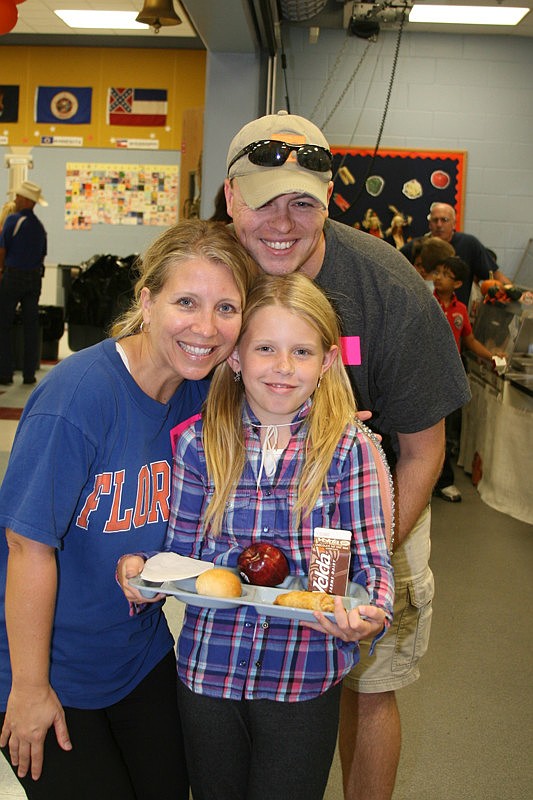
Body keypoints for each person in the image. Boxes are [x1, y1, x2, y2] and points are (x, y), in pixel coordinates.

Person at [221, 110, 471, 800]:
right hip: (245, 516)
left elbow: (424, 449)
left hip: (362, 516)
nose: (281, 221)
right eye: (263, 196)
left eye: (302, 200)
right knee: (252, 685)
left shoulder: (386, 289)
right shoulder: (212, 280)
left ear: (328, 201)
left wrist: (364, 561)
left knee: (365, 684)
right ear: (228, 195)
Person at [0, 220, 259, 800]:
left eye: (226, 308)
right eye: (186, 302)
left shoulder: (201, 391)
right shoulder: (78, 397)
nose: (206, 327)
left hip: (138, 656)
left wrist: (330, 421)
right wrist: (28, 689)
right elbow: (27, 546)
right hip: (49, 667)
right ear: (146, 301)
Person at [119, 272, 395, 800]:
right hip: (209, 674)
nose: (284, 367)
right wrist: (145, 575)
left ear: (327, 363)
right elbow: (179, 556)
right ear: (236, 358)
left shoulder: (346, 450)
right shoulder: (203, 441)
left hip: (305, 675)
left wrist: (369, 615)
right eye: (265, 348)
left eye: (302, 352)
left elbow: (372, 566)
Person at [432, 255, 503, 503]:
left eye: (445, 275)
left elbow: (469, 341)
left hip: (452, 375)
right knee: (428, 429)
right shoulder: (427, 303)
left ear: (458, 284)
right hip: (430, 373)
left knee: (448, 430)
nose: (438, 278)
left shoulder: (460, 310)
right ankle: (429, 479)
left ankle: (444, 481)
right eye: (437, 272)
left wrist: (490, 356)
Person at [401, 202, 510, 306]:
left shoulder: (469, 244)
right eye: (435, 220)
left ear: (453, 223)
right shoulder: (417, 246)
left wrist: (512, 292)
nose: (439, 224)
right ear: (430, 224)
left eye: (444, 220)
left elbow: (495, 275)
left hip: (457, 316)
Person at [0, 181, 48, 386]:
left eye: (19, 197)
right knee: (31, 327)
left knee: (4, 325)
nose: (16, 200)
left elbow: (2, 250)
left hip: (13, 277)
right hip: (33, 279)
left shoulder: (13, 220)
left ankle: (5, 373)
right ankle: (29, 374)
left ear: (27, 201)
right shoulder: (39, 227)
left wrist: (2, 270)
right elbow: (42, 254)